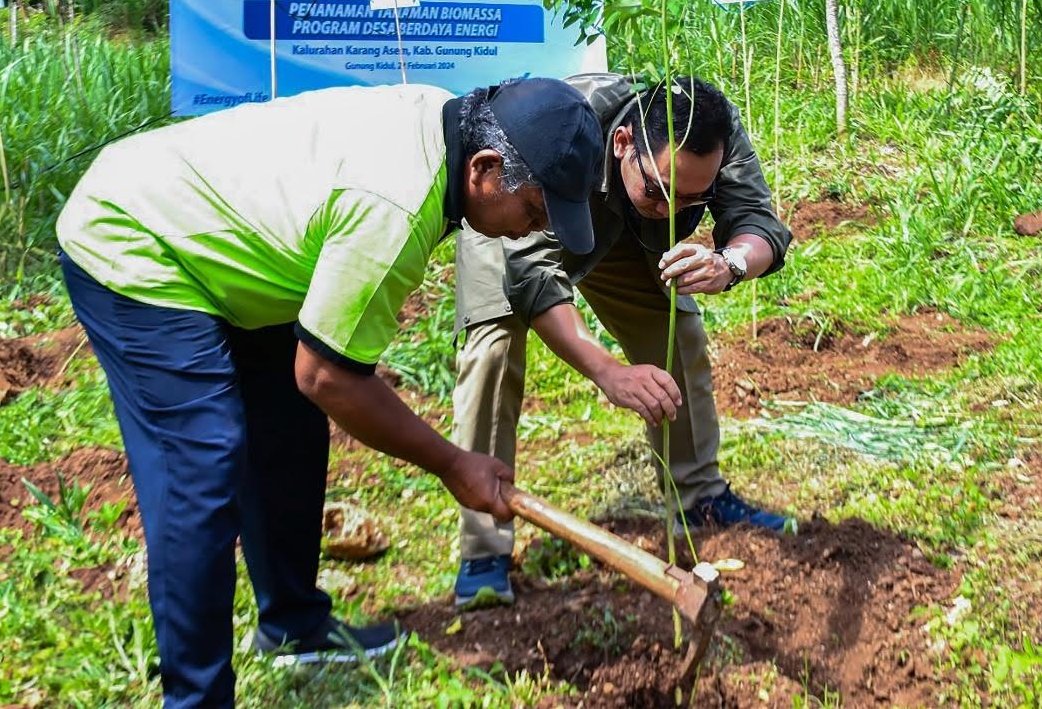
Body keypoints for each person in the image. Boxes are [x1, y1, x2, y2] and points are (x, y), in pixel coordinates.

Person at [55, 78, 604, 708]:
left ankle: (293, 624)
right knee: (199, 467)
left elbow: (310, 378)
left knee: (287, 423)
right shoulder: (397, 206)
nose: (521, 234)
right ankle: (196, 698)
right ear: (483, 171)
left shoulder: (447, 119)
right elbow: (329, 377)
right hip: (136, 234)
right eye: (532, 214)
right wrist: (454, 463)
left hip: (235, 247)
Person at [450, 73, 792, 607]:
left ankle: (699, 495)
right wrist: (606, 371)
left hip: (625, 233)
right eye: (661, 190)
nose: (675, 210)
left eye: (692, 199)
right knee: (493, 347)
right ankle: (484, 545)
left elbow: (758, 222)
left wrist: (730, 262)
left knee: (675, 330)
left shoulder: (713, 130)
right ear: (624, 143)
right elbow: (531, 274)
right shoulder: (567, 133)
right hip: (523, 216)